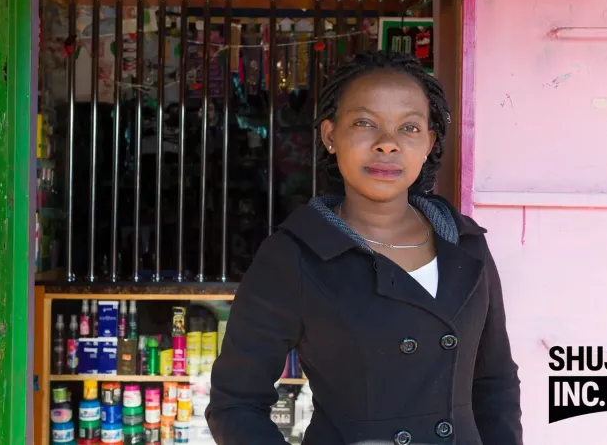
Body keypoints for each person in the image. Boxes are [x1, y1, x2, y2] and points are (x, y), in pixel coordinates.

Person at [205, 50, 523, 445]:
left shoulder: (465, 243)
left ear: (429, 142)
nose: (387, 144)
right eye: (364, 123)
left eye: (408, 128)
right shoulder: (295, 255)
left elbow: (494, 383)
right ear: (330, 136)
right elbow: (234, 403)